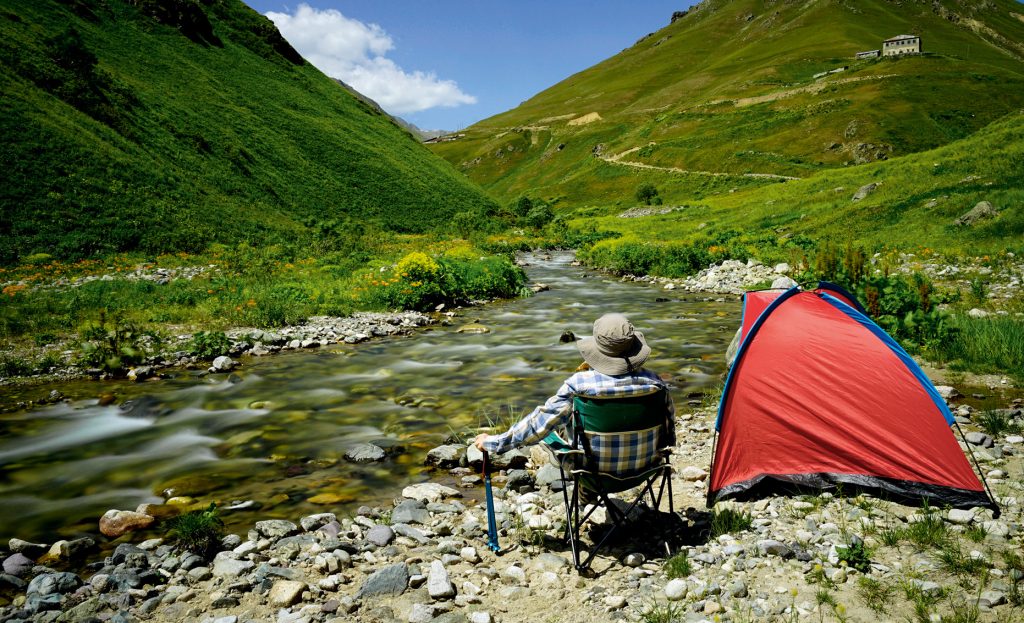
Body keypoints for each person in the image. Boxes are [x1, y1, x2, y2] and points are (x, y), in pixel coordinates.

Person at [474, 313, 675, 457]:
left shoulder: (579, 385)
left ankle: (586, 495)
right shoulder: (657, 384)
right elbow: (668, 436)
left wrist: (492, 443)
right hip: (646, 469)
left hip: (592, 473)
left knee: (553, 429)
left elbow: (537, 426)